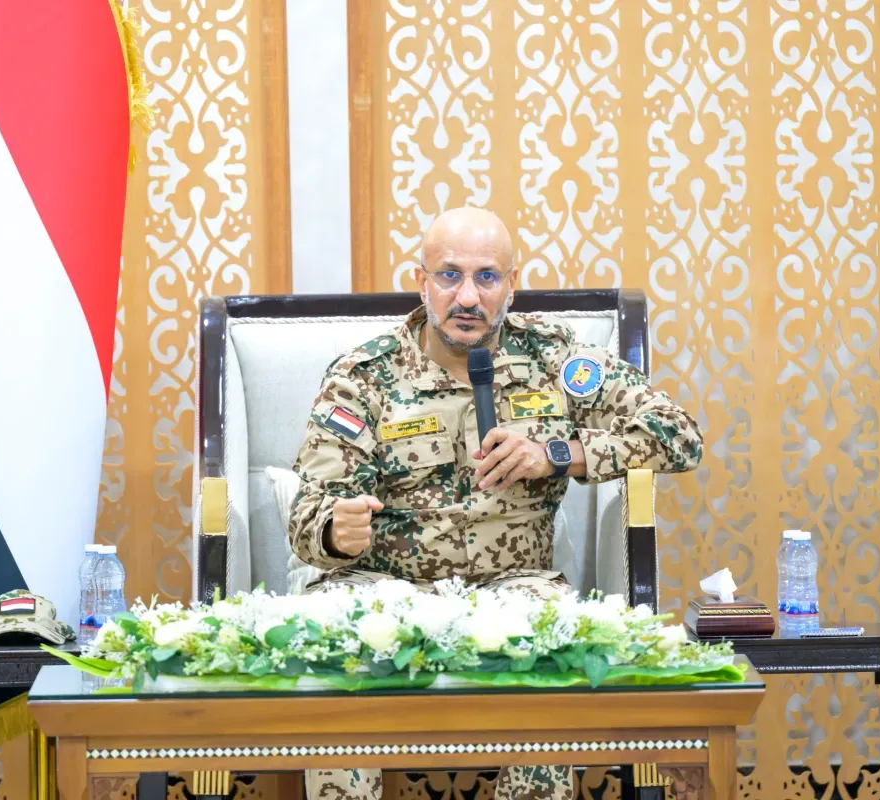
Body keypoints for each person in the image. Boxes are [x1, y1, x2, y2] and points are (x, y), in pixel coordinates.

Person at [288, 207, 703, 800]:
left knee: (558, 656)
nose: (467, 297)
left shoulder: (556, 359)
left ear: (511, 284)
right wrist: (334, 531)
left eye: (486, 277)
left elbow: (679, 435)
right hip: (383, 585)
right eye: (449, 275)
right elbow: (307, 513)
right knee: (333, 652)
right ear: (422, 282)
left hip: (515, 585)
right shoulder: (364, 377)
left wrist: (557, 453)